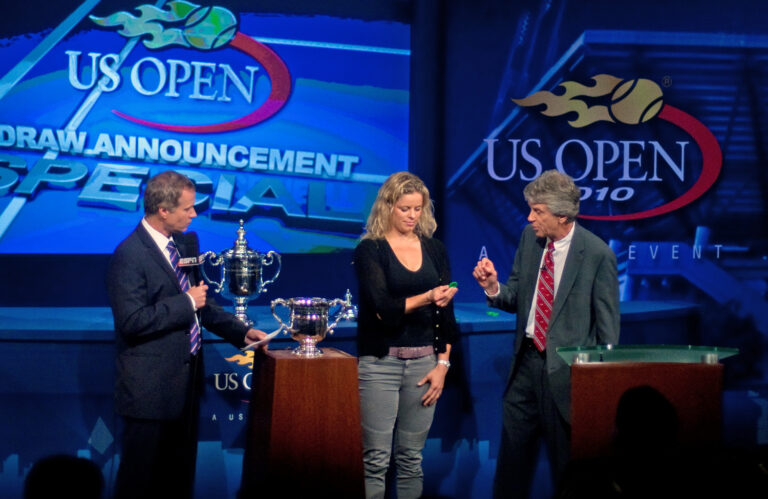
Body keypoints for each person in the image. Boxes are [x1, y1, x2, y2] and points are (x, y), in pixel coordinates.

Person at [106, 171, 267, 499]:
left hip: (186, 386)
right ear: (163, 210)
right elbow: (133, 321)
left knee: (178, 480)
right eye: (187, 208)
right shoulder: (129, 256)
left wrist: (242, 331)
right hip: (149, 393)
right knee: (141, 482)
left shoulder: (185, 243)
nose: (194, 214)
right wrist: (184, 302)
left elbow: (201, 304)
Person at [472, 169, 620, 498]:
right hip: (524, 367)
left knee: (567, 472)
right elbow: (516, 297)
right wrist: (493, 287)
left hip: (566, 377)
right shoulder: (531, 239)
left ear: (562, 214)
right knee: (511, 470)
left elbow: (608, 334)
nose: (529, 218)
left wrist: (595, 387)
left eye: (537, 211)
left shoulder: (597, 255)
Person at [353, 171, 459, 499]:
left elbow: (446, 311)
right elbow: (384, 308)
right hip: (380, 363)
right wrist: (428, 296)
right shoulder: (371, 249)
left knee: (412, 458)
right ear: (387, 207)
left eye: (417, 208)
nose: (412, 216)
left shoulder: (435, 249)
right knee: (376, 460)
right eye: (404, 209)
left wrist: (443, 364)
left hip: (425, 364)